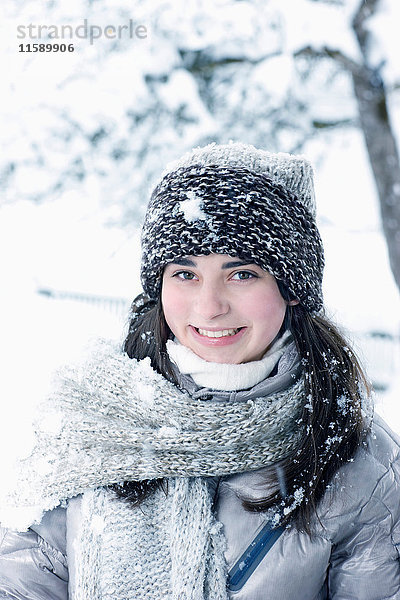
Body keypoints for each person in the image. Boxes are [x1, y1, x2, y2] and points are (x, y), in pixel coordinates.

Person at [1, 141, 399, 600]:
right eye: (185, 274)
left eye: (242, 274)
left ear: (292, 288)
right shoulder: (92, 427)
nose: (209, 308)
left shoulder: (358, 461)